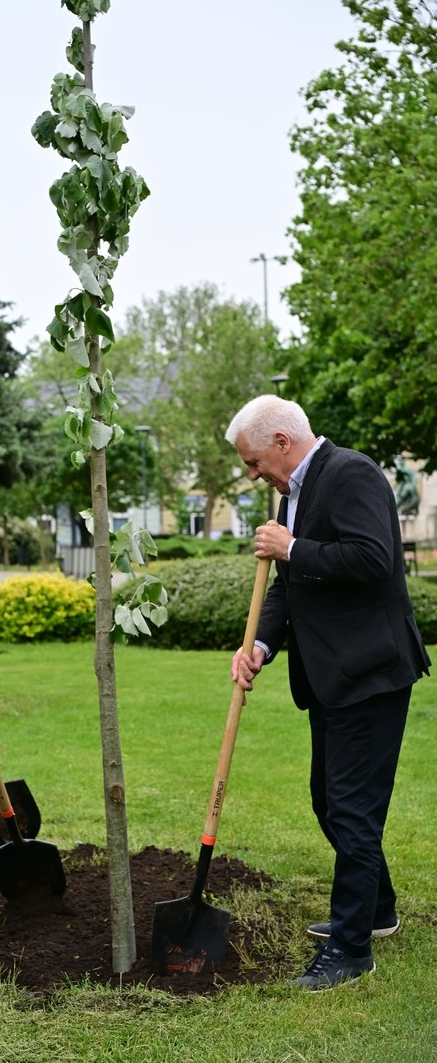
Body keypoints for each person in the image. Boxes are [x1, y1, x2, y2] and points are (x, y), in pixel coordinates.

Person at [225, 395, 430, 991]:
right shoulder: (292, 494)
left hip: (371, 672)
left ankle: (351, 948)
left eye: (253, 461)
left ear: (282, 442)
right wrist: (261, 646)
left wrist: (291, 547)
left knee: (352, 808)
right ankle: (377, 910)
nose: (252, 474)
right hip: (330, 677)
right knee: (330, 801)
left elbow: (374, 558)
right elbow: (288, 589)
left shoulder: (351, 473)